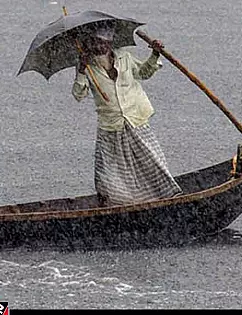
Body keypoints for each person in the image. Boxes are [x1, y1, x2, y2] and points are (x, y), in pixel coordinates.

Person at [72, 22, 182, 206]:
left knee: (153, 162)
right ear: (90, 43)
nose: (99, 46)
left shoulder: (124, 57)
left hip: (135, 119)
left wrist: (155, 54)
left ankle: (164, 198)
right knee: (109, 174)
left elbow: (144, 73)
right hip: (110, 126)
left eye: (103, 43)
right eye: (96, 42)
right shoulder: (87, 65)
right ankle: (120, 203)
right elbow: (78, 95)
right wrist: (81, 71)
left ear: (110, 43)